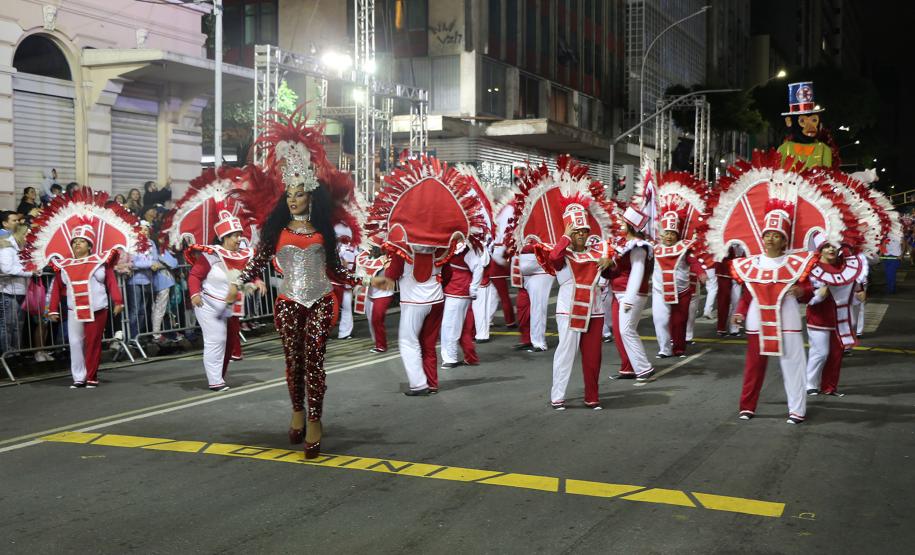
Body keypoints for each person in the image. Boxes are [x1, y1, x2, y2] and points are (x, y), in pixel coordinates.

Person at [236, 107, 389, 459]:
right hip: (289, 302)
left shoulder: (323, 232)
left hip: (320, 300)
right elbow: (256, 263)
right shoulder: (276, 231)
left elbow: (337, 270)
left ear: (310, 196)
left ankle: (316, 420)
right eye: (289, 194)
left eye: (299, 194)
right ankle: (297, 411)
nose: (293, 199)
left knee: (315, 360)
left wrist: (368, 279)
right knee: (294, 361)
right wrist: (239, 282)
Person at [700, 150, 859, 424]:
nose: (770, 239)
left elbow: (809, 289)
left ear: (785, 240)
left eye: (776, 235)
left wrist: (801, 292)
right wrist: (739, 312)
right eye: (767, 235)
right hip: (757, 321)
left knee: (793, 365)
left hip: (787, 320)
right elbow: (748, 294)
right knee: (754, 365)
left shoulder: (798, 262)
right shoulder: (750, 263)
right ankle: (747, 406)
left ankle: (797, 409)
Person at [366, 155, 491, 396]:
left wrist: (374, 278)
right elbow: (447, 272)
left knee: (408, 341)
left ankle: (419, 384)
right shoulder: (440, 245)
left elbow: (392, 274)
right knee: (428, 343)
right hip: (437, 300)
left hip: (415, 302)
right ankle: (432, 383)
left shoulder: (403, 243)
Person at [21, 189, 144, 388]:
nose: (77, 244)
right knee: (75, 343)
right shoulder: (64, 264)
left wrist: (118, 301)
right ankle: (79, 377)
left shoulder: (100, 260)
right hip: (74, 310)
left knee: (93, 343)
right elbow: (57, 286)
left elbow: (111, 282)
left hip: (98, 308)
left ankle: (91, 376)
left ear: (89, 245)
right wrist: (52, 309)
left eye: (81, 242)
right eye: (75, 242)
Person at [546, 206, 614, 411]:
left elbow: (611, 274)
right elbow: (553, 259)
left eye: (584, 231)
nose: (580, 235)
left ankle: (592, 398)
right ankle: (557, 397)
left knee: (593, 357)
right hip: (569, 311)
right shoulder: (563, 253)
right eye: (576, 231)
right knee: (565, 354)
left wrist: (610, 263)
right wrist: (565, 237)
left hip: (595, 311)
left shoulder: (597, 252)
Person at [189, 210, 262, 391]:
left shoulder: (244, 255)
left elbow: (250, 274)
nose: (239, 239)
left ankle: (219, 375)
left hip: (230, 306)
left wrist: (257, 281)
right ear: (224, 237)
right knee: (216, 339)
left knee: (229, 343)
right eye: (235, 236)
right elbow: (194, 276)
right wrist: (195, 294)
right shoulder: (211, 255)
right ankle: (215, 381)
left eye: (239, 235)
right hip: (207, 304)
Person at [608, 206, 655, 381]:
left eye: (623, 222)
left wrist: (629, 299)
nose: (619, 225)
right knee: (620, 332)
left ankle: (644, 368)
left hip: (630, 295)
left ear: (629, 225)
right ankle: (628, 368)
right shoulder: (624, 244)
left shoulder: (639, 246)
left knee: (627, 330)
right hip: (618, 293)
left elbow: (637, 272)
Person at [439, 243, 483, 368]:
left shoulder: (465, 248)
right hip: (452, 290)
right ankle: (455, 356)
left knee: (451, 326)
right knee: (450, 325)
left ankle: (450, 358)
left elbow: (478, 268)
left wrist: (473, 288)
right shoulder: (451, 245)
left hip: (459, 290)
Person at [0, 211, 32, 354]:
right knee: (7, 325)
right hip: (8, 291)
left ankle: (16, 353)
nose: (28, 238)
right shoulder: (5, 244)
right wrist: (30, 272)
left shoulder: (19, 246)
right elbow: (7, 268)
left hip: (20, 290)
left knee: (18, 325)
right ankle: (7, 355)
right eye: (14, 220)